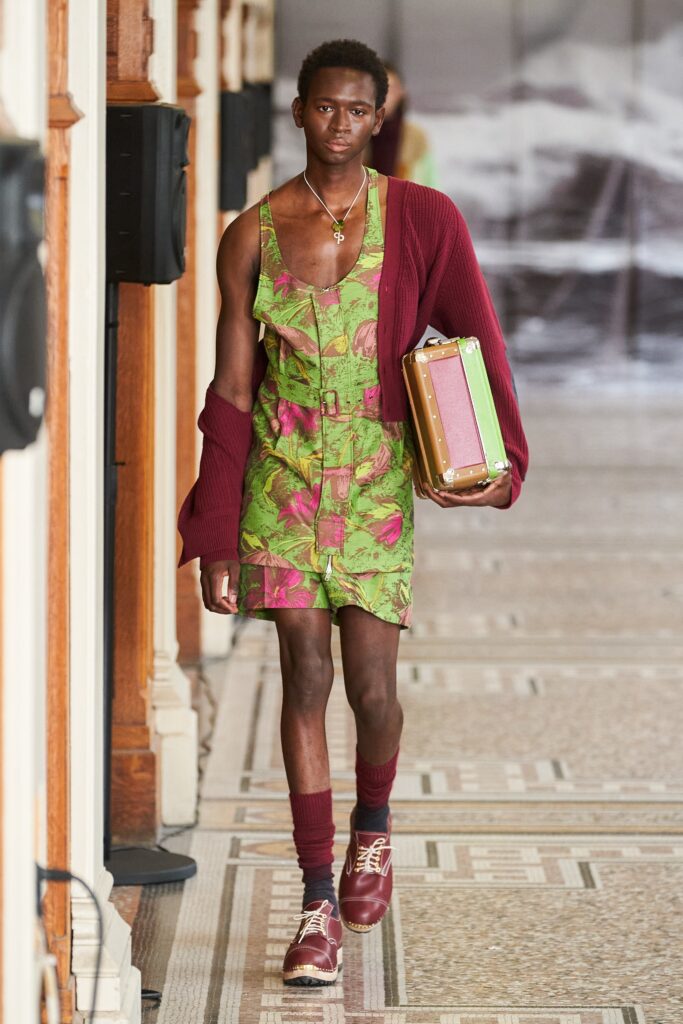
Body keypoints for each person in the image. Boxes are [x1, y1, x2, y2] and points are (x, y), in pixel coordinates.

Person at [177, 38, 529, 987]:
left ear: (379, 119)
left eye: (355, 110)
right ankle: (317, 900)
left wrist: (499, 460)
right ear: (296, 112)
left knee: (371, 686)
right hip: (281, 481)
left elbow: (474, 337)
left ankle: (373, 826)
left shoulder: (421, 218)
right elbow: (233, 390)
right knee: (302, 670)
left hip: (375, 480)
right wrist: (214, 528)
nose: (337, 122)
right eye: (321, 106)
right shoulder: (249, 234)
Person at [367, 60, 437, 187]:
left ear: (401, 92)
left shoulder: (416, 136)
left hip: (408, 205)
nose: (385, 96)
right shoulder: (357, 134)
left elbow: (431, 183)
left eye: (390, 88)